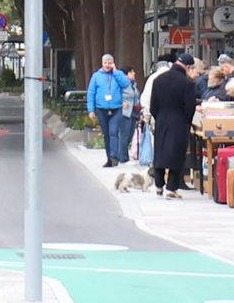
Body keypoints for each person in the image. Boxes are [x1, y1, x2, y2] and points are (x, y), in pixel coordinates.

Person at [142, 50, 202, 196]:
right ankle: (171, 188)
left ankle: (158, 185)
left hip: (161, 119)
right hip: (179, 121)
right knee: (176, 154)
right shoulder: (187, 83)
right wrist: (187, 121)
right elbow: (189, 107)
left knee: (160, 152)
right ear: (188, 67)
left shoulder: (158, 80)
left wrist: (159, 117)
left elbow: (153, 105)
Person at [86, 53, 135, 167]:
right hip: (101, 109)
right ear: (102, 63)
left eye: (109, 63)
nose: (107, 65)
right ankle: (109, 159)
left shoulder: (118, 74)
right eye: (105, 63)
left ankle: (114, 157)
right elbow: (91, 93)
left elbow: (126, 84)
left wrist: (116, 72)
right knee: (106, 134)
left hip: (116, 108)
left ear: (113, 63)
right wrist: (91, 110)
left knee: (113, 132)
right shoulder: (96, 76)